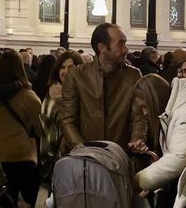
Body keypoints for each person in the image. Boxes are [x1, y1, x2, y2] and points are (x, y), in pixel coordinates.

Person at [57, 23, 150, 154]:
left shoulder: (133, 75)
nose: (126, 50)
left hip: (119, 156)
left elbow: (138, 116)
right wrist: (84, 150)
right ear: (102, 48)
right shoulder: (77, 75)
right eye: (121, 44)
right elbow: (67, 119)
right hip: (85, 159)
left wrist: (137, 140)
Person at [0, 51, 43, 208]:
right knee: (28, 194)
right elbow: (40, 128)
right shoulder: (27, 95)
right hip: (20, 155)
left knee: (3, 195)